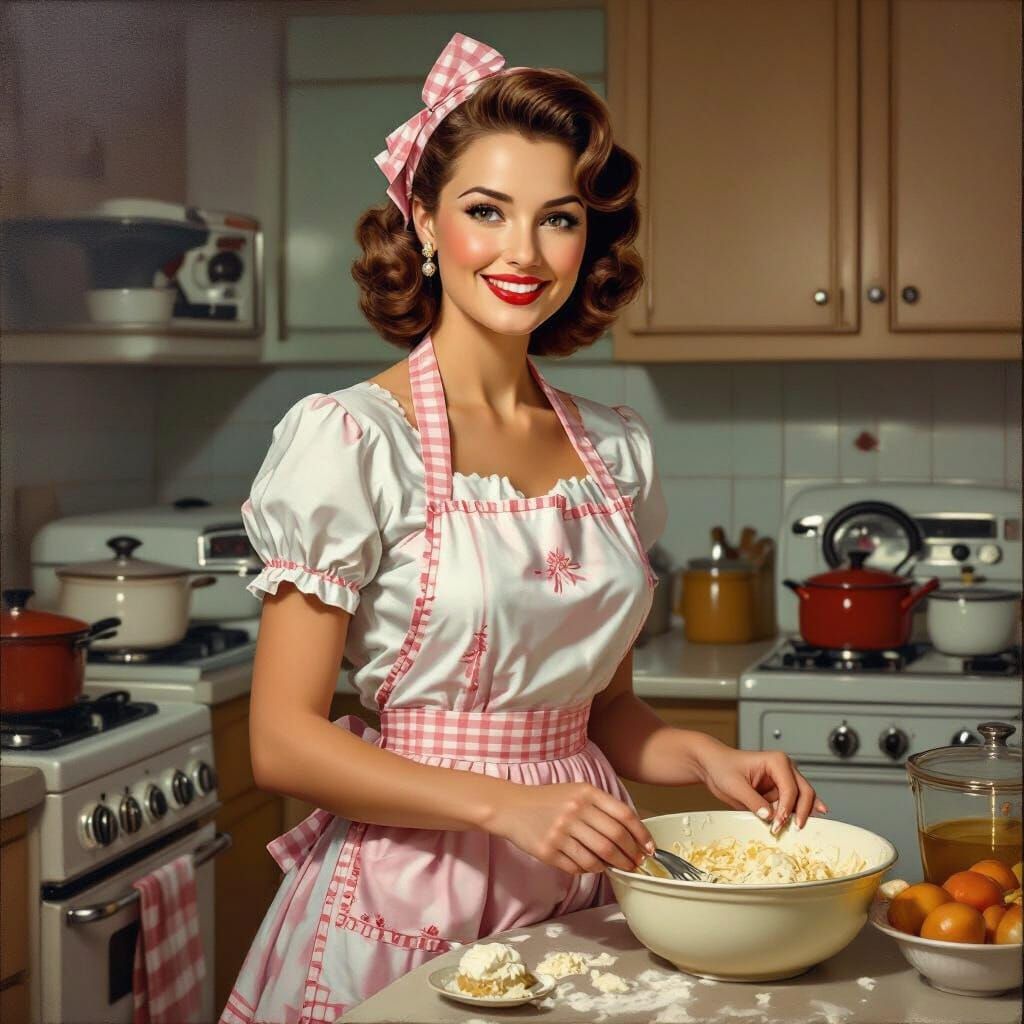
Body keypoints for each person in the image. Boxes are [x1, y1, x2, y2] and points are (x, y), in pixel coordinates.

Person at [220, 32, 826, 1024]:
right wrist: (505, 804)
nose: (521, 252)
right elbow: (282, 745)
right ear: (421, 220)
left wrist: (700, 759)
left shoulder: (613, 449)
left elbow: (603, 713)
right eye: (484, 210)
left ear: (587, 242)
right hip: (405, 902)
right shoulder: (349, 440)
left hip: (583, 886)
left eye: (558, 220)